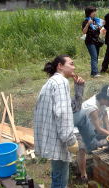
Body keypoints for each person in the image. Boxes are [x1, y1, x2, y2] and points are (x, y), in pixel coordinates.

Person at [34, 55, 83, 188]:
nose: (74, 67)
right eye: (71, 64)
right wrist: (70, 140)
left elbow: (73, 108)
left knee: (57, 177)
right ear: (60, 66)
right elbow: (62, 114)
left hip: (54, 135)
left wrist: (79, 88)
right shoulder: (61, 82)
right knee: (60, 182)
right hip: (59, 138)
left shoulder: (53, 82)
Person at [73, 84, 109, 182]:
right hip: (78, 130)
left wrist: (108, 130)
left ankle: (101, 157)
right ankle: (83, 175)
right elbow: (98, 128)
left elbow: (105, 114)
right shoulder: (92, 107)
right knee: (82, 149)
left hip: (91, 128)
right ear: (103, 97)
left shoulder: (103, 102)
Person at [82, 6, 104, 78]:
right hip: (90, 41)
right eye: (93, 12)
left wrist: (101, 26)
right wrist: (88, 24)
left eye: (95, 11)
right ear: (89, 13)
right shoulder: (86, 21)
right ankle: (95, 73)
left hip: (96, 40)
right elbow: (84, 32)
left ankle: (93, 72)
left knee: (96, 57)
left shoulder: (96, 20)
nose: (95, 13)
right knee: (94, 57)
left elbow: (97, 29)